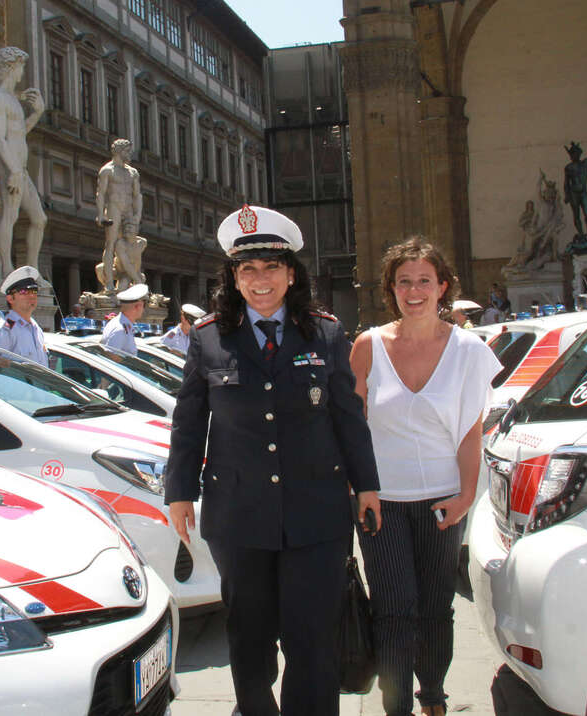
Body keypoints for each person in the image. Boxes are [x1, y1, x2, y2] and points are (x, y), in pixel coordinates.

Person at [165, 205, 382, 716]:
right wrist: (180, 492)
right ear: (234, 278)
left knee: (313, 638)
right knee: (249, 637)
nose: (260, 280)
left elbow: (348, 417)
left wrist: (366, 486)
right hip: (239, 515)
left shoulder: (325, 333)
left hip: (316, 512)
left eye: (271, 268)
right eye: (248, 269)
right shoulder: (209, 337)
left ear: (291, 274)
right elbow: (189, 421)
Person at [348, 237, 501, 716]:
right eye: (404, 282)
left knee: (436, 609)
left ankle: (433, 696)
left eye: (424, 281)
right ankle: (396, 707)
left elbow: (470, 432)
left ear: (442, 287)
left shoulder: (468, 350)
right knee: (393, 611)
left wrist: (466, 496)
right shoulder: (368, 346)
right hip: (381, 503)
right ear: (390, 288)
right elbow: (352, 427)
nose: (414, 291)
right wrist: (359, 489)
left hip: (442, 502)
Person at [0, 46, 47, 278]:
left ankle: (32, 270)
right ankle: (6, 268)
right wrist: (13, 170)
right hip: (10, 166)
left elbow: (20, 132)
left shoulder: (12, 99)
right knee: (10, 214)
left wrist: (37, 113)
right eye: (21, 67)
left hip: (19, 168)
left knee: (39, 219)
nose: (22, 72)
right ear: (11, 67)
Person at [95, 138, 145, 293]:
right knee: (110, 244)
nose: (129, 154)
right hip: (114, 208)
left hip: (128, 209)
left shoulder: (133, 172)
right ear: (118, 151)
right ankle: (109, 282)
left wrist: (137, 215)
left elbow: (137, 195)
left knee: (131, 243)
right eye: (127, 151)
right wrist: (100, 215)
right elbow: (101, 193)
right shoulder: (107, 170)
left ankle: (132, 278)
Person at [0, 265, 49, 367]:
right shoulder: (6, 329)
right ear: (10, 299)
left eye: (34, 291)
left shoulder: (36, 328)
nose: (32, 295)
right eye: (24, 292)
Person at [100, 283, 146, 355]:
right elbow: (111, 355)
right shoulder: (120, 328)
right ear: (137, 306)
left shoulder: (123, 325)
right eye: (144, 306)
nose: (143, 310)